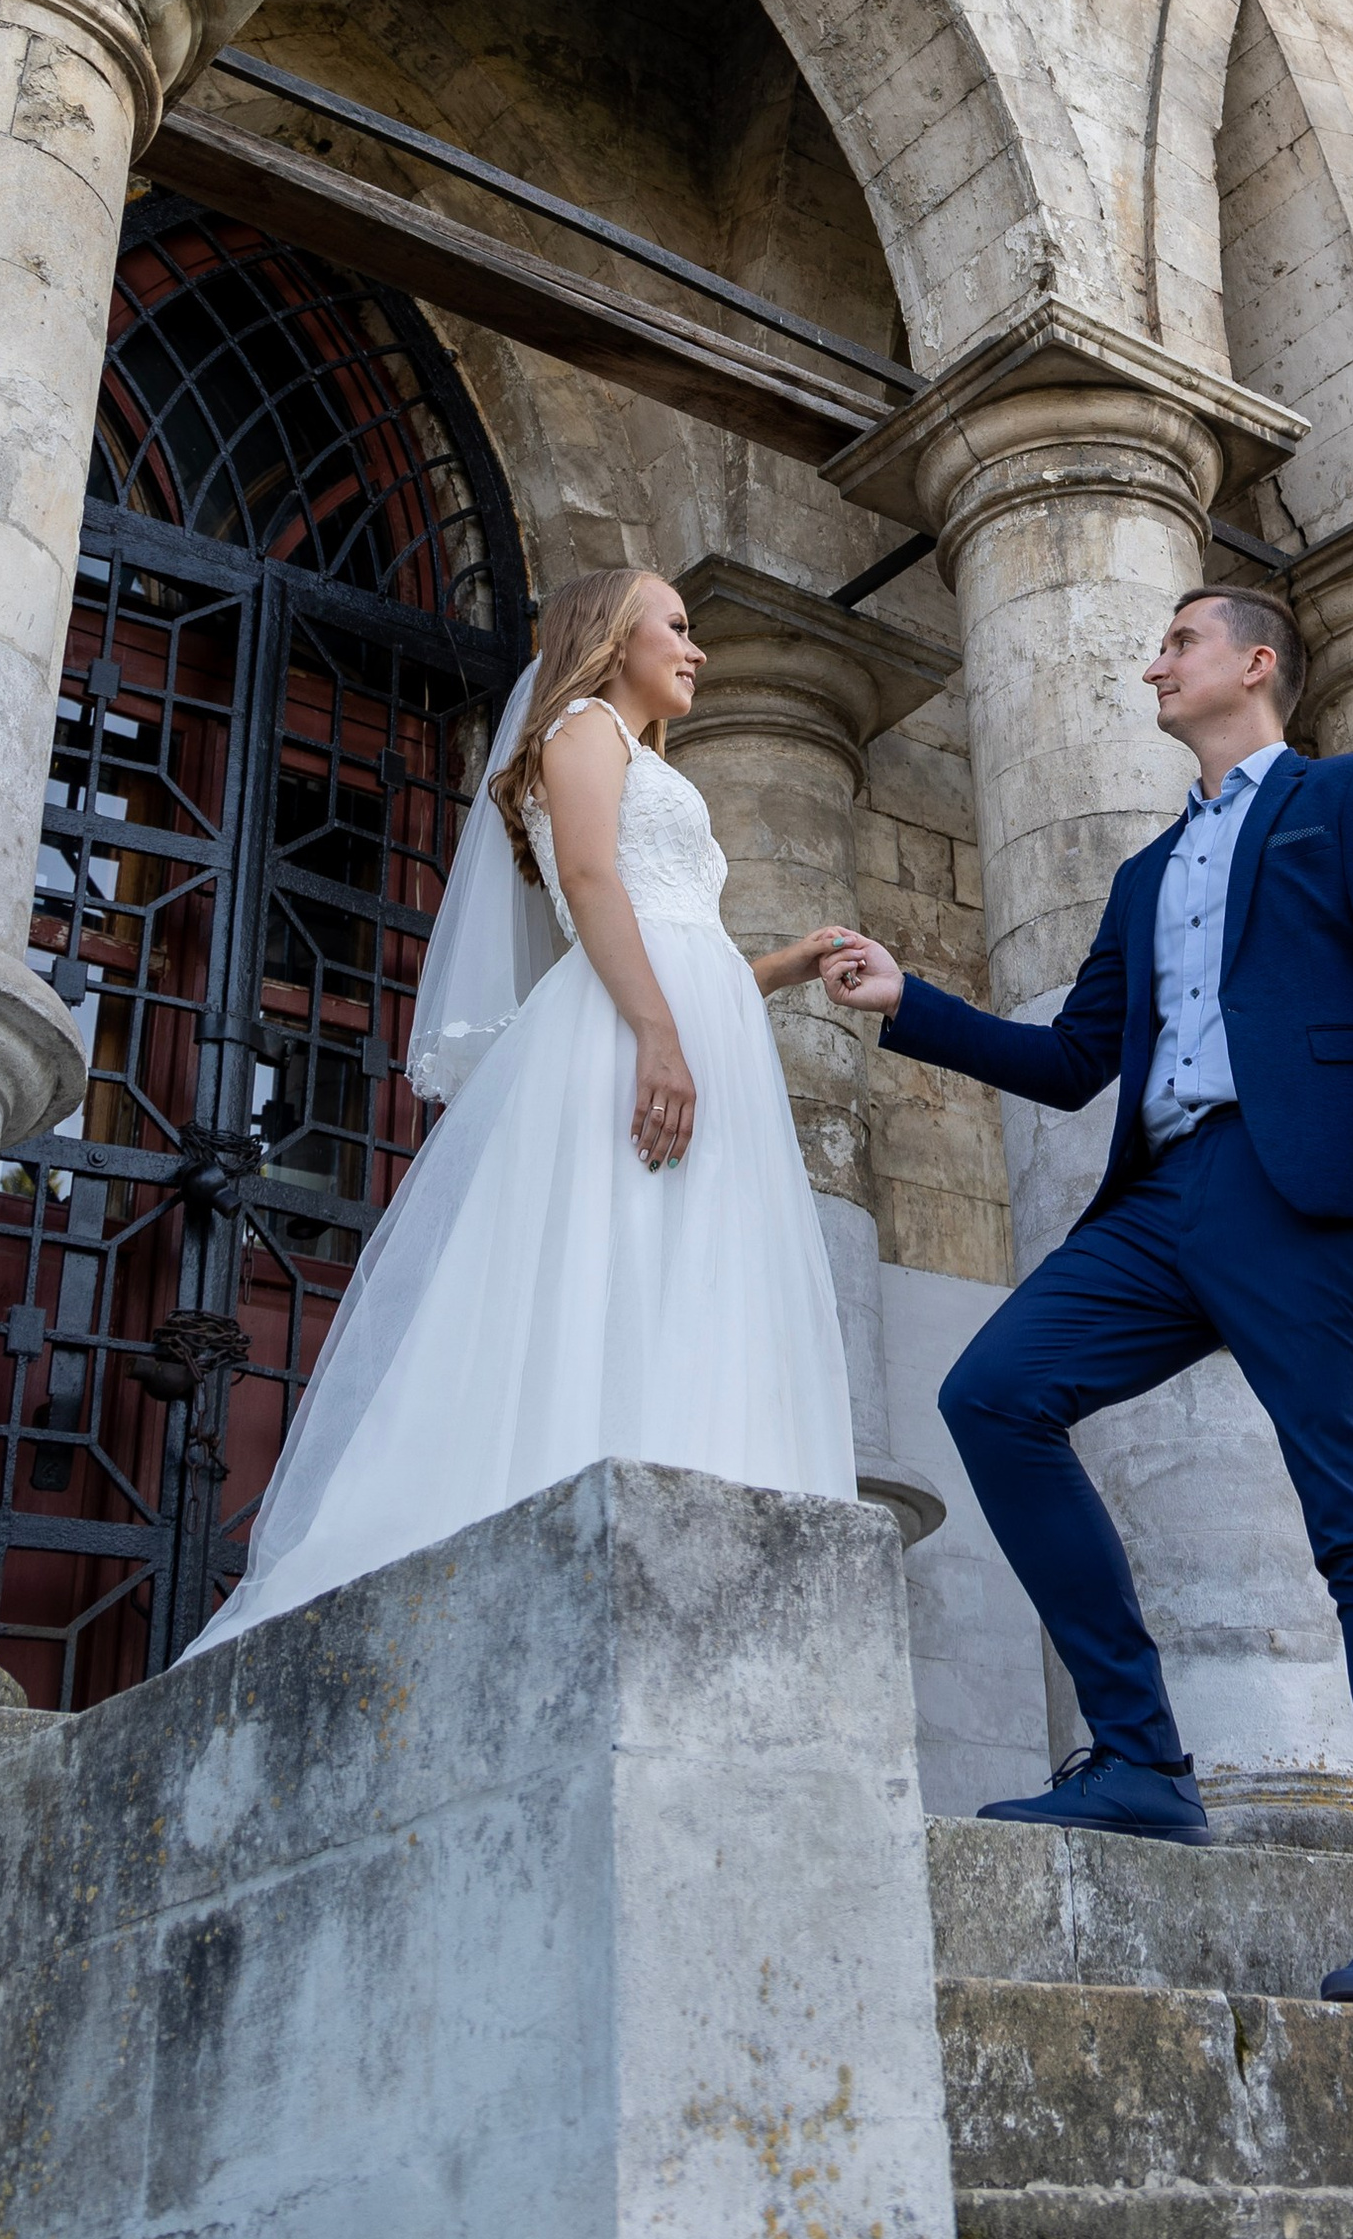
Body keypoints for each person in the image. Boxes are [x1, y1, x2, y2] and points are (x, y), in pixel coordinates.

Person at [825, 585, 1353, 2009]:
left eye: (1178, 642)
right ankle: (1139, 1761)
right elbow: (1072, 1062)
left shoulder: (1352, 796)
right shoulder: (1146, 874)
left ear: (1255, 663)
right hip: (1166, 1198)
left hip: (1306, 1199)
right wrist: (907, 998)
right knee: (993, 1395)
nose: (1152, 664)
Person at [195, 570, 857, 1650]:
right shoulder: (583, 726)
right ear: (614, 637)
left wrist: (786, 965)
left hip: (689, 1015)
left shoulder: (642, 755)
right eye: (677, 628)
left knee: (686, 1269)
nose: (695, 650)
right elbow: (594, 883)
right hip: (630, 1027)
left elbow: (677, 924)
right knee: (616, 1248)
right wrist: (656, 1035)